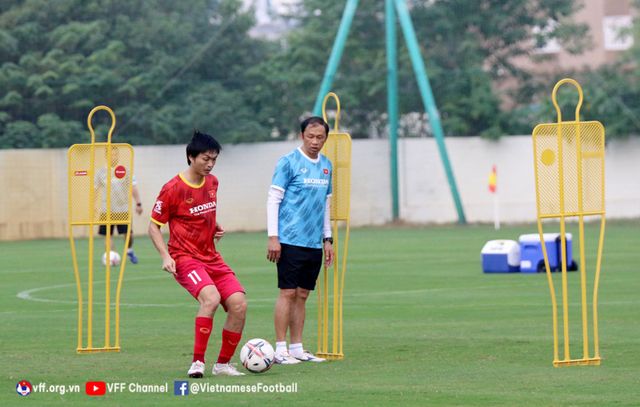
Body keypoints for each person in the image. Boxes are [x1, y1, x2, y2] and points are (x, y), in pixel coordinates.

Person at [148, 131, 247, 377]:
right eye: (206, 158)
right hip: (184, 258)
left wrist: (215, 227)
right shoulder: (172, 188)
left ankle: (223, 364)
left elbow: (202, 214)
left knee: (239, 304)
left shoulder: (212, 182)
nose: (210, 164)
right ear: (191, 157)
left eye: (214, 159)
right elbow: (153, 227)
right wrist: (165, 256)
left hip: (211, 257)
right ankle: (197, 363)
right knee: (211, 299)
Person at [266, 116, 334, 364]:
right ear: (301, 136)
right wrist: (274, 237)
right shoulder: (288, 162)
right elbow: (273, 199)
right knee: (287, 292)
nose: (315, 142)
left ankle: (297, 347)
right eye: (311, 137)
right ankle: (280, 348)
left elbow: (325, 204)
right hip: (289, 240)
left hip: (313, 243)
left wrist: (328, 238)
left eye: (320, 138)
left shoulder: (326, 166)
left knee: (303, 294)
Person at [95, 146, 143, 264]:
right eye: (111, 154)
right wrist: (94, 205)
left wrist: (138, 203)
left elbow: (133, 187)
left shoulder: (125, 170)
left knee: (129, 235)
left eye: (115, 154)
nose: (113, 156)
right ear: (106, 156)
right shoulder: (101, 172)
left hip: (123, 209)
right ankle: (113, 257)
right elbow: (95, 189)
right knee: (107, 235)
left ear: (118, 156)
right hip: (107, 210)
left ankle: (129, 250)